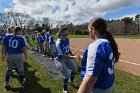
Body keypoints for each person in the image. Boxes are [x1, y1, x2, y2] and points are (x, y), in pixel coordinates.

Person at [77, 18, 120, 93]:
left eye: (89, 31)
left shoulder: (96, 46)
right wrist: (82, 57)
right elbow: (102, 61)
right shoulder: (108, 43)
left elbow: (91, 79)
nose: (89, 33)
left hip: (99, 88)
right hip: (109, 84)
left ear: (93, 30)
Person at [54, 26, 79, 93]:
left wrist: (73, 55)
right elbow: (62, 55)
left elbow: (68, 49)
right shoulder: (58, 43)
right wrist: (73, 57)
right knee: (66, 75)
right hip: (59, 59)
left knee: (75, 69)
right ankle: (65, 88)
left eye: (67, 34)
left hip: (66, 57)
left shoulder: (67, 39)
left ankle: (71, 80)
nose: (65, 36)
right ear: (60, 33)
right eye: (64, 35)